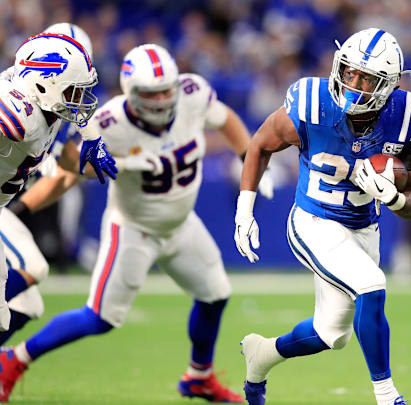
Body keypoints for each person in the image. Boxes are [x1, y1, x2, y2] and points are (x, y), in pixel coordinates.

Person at [0, 43, 259, 403]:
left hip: (182, 224)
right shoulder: (108, 123)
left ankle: (199, 377)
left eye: (167, 88)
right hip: (133, 228)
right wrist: (20, 209)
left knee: (215, 296)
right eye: (153, 93)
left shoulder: (192, 92)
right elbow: (66, 175)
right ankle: (14, 359)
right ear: (132, 92)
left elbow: (226, 119)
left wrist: (249, 157)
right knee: (100, 317)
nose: (164, 99)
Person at [234, 28, 411, 405]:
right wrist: (245, 210)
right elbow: (260, 143)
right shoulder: (311, 102)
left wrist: (392, 197)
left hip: (362, 226)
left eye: (367, 78)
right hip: (313, 220)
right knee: (371, 285)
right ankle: (387, 396)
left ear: (388, 85)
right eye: (349, 72)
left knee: (331, 334)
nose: (353, 83)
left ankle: (262, 354)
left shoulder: (409, 117)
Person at [0, 31, 115, 334]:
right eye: (73, 91)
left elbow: (74, 116)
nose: (80, 101)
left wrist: (93, 139)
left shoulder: (46, 101)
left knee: (13, 312)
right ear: (44, 82)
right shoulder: (18, 114)